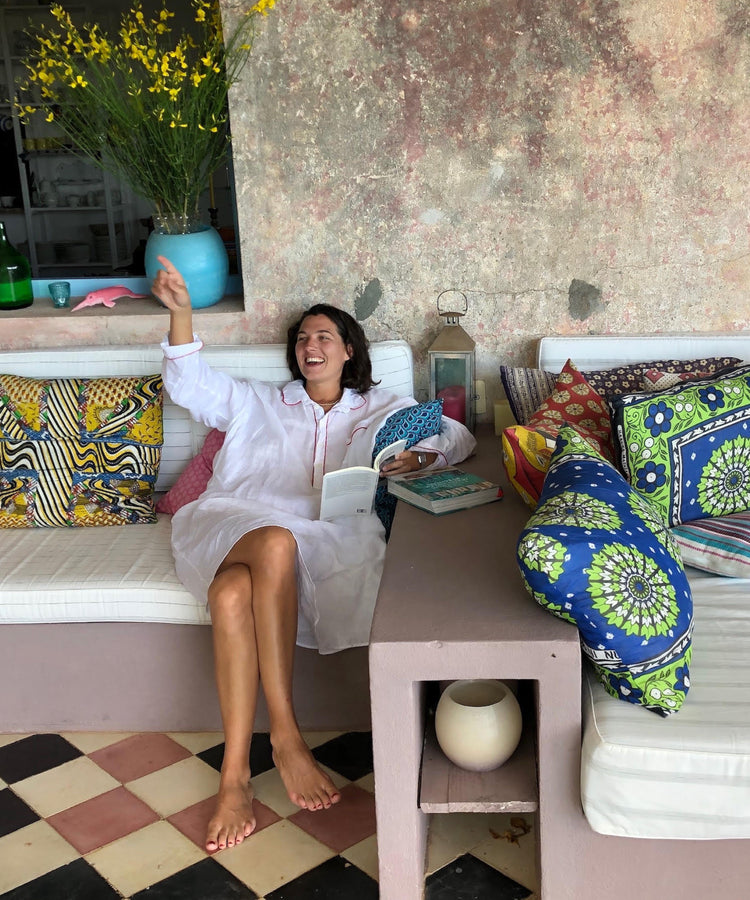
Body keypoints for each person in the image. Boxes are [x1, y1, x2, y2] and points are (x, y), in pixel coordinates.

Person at [152, 256, 476, 853]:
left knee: (231, 594)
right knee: (275, 539)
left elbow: (455, 436)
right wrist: (182, 316)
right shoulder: (258, 403)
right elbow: (191, 386)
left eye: (324, 335)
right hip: (233, 521)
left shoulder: (382, 407)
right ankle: (285, 736)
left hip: (326, 534)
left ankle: (234, 776)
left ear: (349, 349)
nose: (310, 344)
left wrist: (418, 458)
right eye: (302, 338)